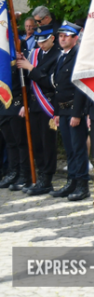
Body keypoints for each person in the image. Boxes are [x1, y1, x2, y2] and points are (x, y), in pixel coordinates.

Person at [24, 21, 89, 200]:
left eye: (66, 36)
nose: (62, 39)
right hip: (63, 109)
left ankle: (82, 185)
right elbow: (58, 87)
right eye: (60, 36)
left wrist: (77, 113)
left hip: (74, 110)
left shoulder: (78, 56)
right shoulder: (62, 56)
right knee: (69, 149)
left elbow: (80, 88)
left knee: (78, 148)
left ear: (75, 38)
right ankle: (72, 181)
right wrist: (58, 113)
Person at [21, 24, 59, 196]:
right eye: (38, 41)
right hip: (35, 105)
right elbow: (29, 85)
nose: (41, 45)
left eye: (44, 41)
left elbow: (49, 82)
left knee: (47, 143)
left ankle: (47, 179)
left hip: (48, 106)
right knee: (36, 143)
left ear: (52, 38)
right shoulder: (34, 54)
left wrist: (31, 69)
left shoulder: (57, 55)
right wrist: (26, 103)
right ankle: (41, 174)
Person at [0, 40, 31, 192]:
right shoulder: (2, 60)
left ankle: (25, 175)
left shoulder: (20, 61)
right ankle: (13, 172)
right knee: (10, 142)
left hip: (18, 104)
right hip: (4, 105)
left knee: (21, 142)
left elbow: (29, 84)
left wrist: (27, 104)